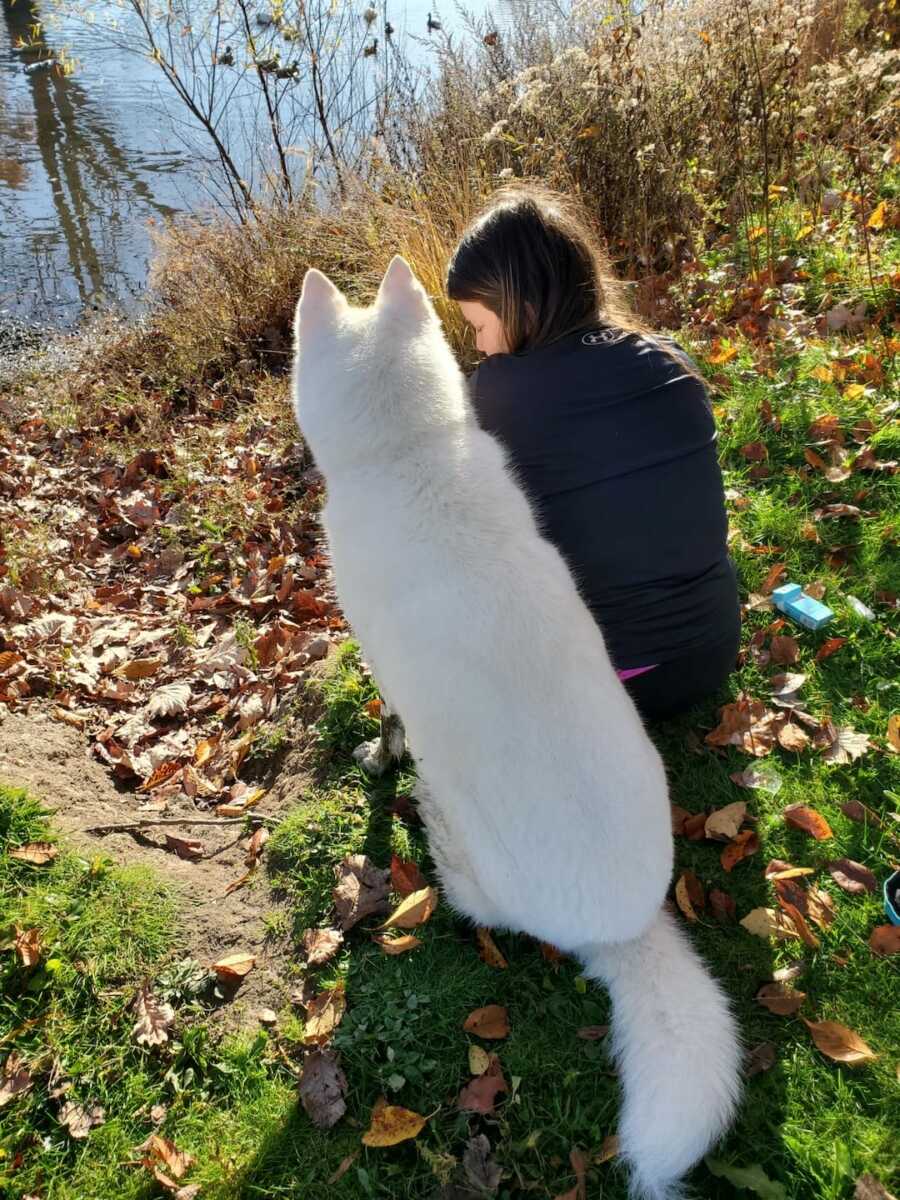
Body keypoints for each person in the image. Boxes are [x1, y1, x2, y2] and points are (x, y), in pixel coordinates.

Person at [445, 184, 740, 721]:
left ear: (523, 306)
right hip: (714, 647)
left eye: (480, 326)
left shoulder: (494, 393)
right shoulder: (669, 355)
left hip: (610, 686)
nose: (481, 347)